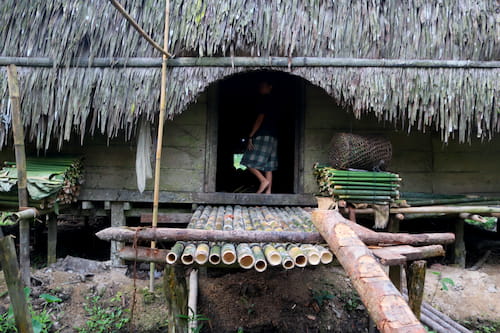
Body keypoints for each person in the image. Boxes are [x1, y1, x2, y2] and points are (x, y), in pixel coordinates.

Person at [241, 80, 279, 194]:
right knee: (269, 166)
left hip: (263, 135)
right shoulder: (275, 102)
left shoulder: (264, 99)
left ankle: (263, 181)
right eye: (260, 86)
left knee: (247, 161)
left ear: (270, 87)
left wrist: (251, 136)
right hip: (273, 137)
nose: (260, 88)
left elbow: (260, 118)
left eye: (263, 86)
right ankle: (268, 194)